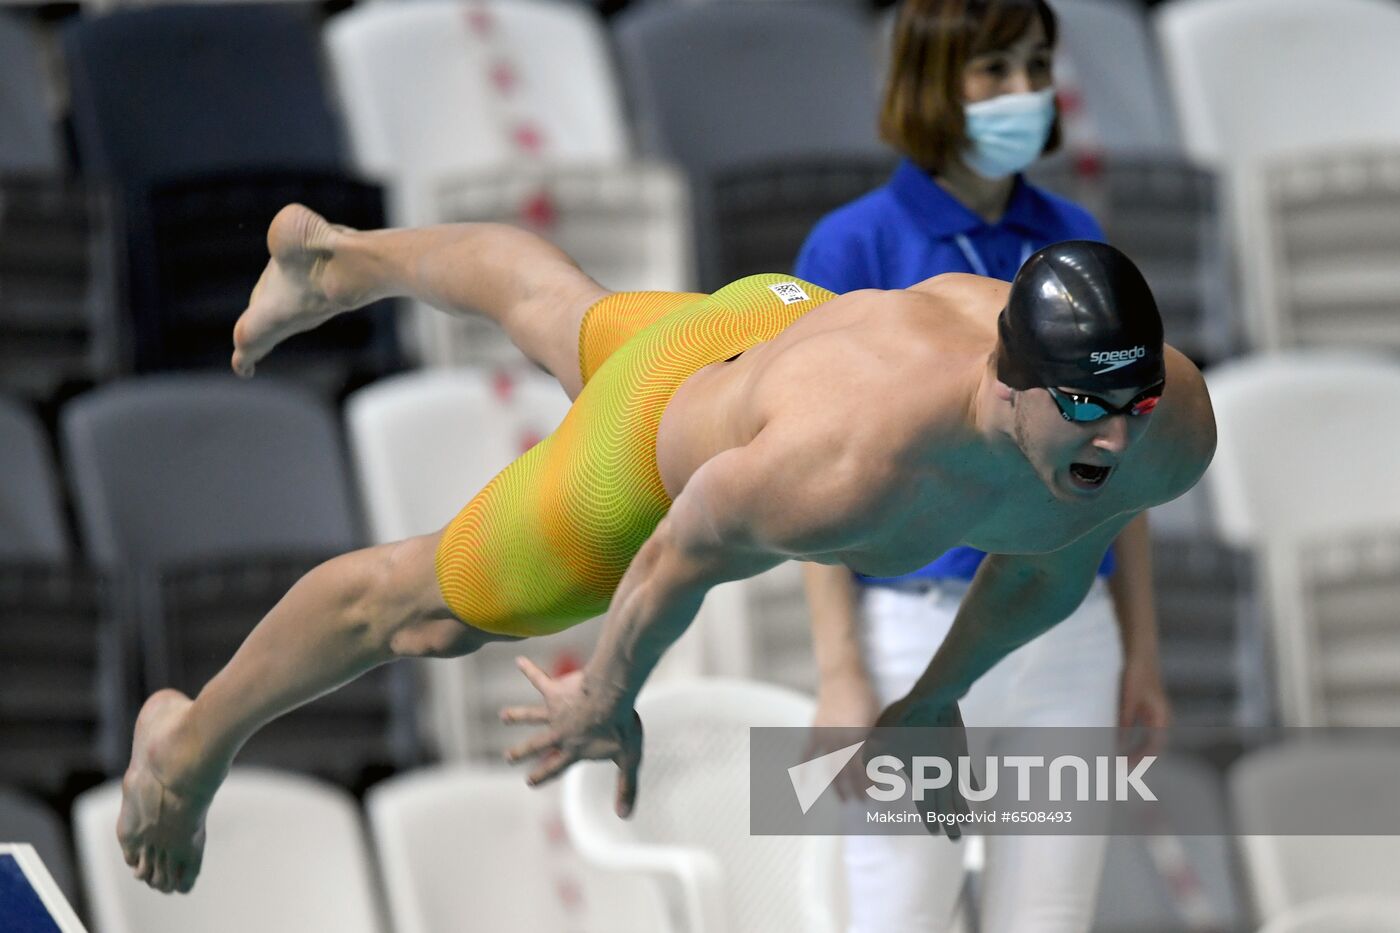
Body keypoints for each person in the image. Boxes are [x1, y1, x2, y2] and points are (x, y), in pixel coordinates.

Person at [116, 203, 1213, 896]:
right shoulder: (847, 466)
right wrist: (607, 689)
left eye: (1130, 398)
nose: (1114, 436)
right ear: (1007, 381)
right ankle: (183, 746)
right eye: (1082, 405)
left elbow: (1055, 559)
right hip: (671, 435)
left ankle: (336, 257)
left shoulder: (1161, 431)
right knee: (426, 610)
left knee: (570, 313)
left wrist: (927, 702)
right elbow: (683, 548)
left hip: (776, 319)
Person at [796, 0, 1168, 929]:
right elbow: (802, 476)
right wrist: (841, 668)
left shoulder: (1076, 231)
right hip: (915, 635)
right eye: (993, 71)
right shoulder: (852, 247)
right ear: (931, 82)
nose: (1024, 93)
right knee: (899, 915)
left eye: (1036, 67)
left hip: (1073, 631)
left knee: (1049, 917)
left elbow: (1128, 461)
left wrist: (1143, 650)